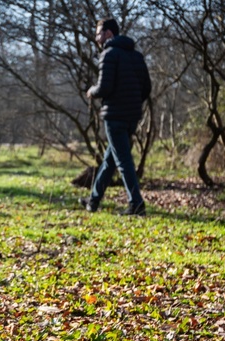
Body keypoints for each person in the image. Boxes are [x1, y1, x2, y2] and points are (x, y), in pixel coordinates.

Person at [80, 18, 151, 216]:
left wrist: (91, 91)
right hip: (131, 117)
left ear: (109, 34)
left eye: (99, 33)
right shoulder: (137, 56)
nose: (96, 38)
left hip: (114, 117)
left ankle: (136, 204)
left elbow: (105, 87)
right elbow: (147, 88)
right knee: (110, 160)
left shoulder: (109, 54)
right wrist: (133, 103)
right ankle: (93, 201)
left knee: (123, 161)